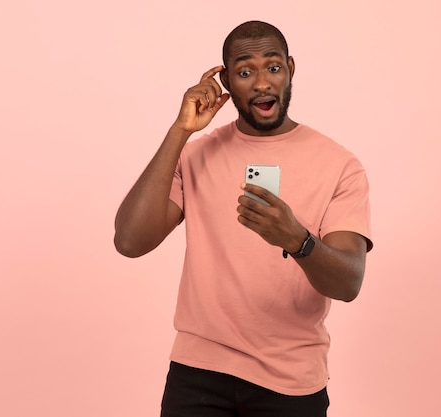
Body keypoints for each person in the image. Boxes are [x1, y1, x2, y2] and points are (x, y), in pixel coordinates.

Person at [114, 20, 373, 417]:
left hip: (292, 382)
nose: (262, 83)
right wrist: (180, 131)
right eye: (245, 71)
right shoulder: (196, 154)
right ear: (227, 82)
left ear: (290, 69)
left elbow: (349, 281)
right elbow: (130, 241)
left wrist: (298, 241)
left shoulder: (340, 165)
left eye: (273, 67)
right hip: (198, 373)